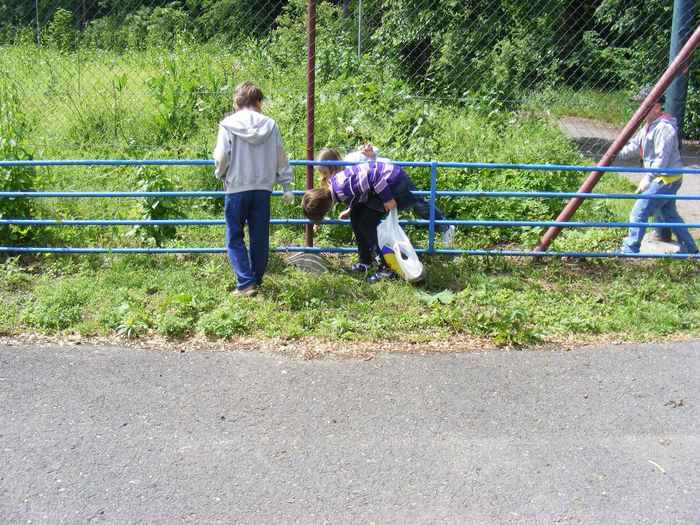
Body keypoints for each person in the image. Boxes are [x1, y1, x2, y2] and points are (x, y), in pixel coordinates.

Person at [213, 81, 294, 296]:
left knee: (234, 236)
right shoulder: (271, 125)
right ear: (259, 102)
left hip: (236, 186)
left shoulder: (228, 124)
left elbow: (221, 156)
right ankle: (256, 279)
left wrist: (221, 173)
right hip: (263, 188)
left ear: (237, 102)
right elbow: (280, 156)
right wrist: (286, 184)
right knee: (259, 236)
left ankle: (245, 282)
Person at [302, 148, 422, 282]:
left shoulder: (342, 188)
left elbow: (374, 177)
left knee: (366, 223)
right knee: (356, 215)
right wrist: (350, 209)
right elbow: (360, 190)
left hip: (393, 180)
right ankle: (365, 261)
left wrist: (387, 199)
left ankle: (387, 268)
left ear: (326, 209)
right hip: (384, 183)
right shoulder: (336, 187)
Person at [618, 86, 698, 255]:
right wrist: (615, 152)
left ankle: (630, 249)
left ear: (656, 107)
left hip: (666, 179)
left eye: (643, 105)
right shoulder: (648, 126)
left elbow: (662, 159)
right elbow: (634, 145)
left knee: (639, 211)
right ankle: (691, 250)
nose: (639, 110)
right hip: (662, 177)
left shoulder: (664, 128)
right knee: (669, 215)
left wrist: (648, 178)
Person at [343, 143, 456, 246]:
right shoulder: (350, 166)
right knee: (377, 211)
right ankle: (382, 244)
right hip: (383, 180)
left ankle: (445, 227)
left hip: (392, 176)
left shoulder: (352, 164)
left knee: (417, 203)